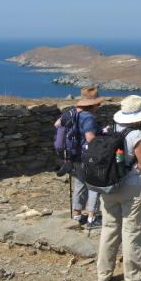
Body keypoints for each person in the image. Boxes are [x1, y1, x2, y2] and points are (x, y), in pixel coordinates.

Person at [97, 95, 141, 281]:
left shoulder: (106, 130)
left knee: (109, 228)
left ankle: (103, 274)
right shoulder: (136, 134)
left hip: (107, 186)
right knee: (131, 231)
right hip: (131, 186)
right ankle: (134, 279)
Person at [54, 87, 104, 228]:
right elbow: (90, 138)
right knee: (94, 185)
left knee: (81, 183)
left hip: (73, 155)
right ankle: (92, 217)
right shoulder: (88, 117)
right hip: (86, 156)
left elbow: (57, 124)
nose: (99, 106)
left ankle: (76, 214)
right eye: (98, 104)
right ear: (93, 104)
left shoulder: (71, 112)